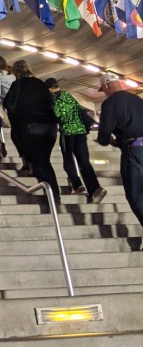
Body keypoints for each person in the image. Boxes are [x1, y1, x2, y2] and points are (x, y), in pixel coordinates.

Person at [3, 60, 60, 203]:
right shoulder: (41, 84)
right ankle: (52, 194)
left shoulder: (17, 85)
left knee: (40, 163)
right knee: (44, 161)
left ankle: (53, 196)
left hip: (31, 127)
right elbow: (52, 104)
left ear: (15, 72)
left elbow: (9, 105)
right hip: (49, 128)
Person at [45, 78, 106, 202]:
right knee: (84, 161)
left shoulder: (53, 98)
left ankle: (78, 185)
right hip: (80, 132)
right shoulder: (69, 95)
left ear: (49, 89)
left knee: (68, 161)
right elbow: (80, 110)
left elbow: (58, 115)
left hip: (68, 132)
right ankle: (95, 188)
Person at [97, 72, 143, 233]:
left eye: (103, 89)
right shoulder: (138, 100)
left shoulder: (110, 103)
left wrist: (107, 140)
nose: (104, 92)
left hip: (134, 152)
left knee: (135, 194)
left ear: (107, 86)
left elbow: (104, 135)